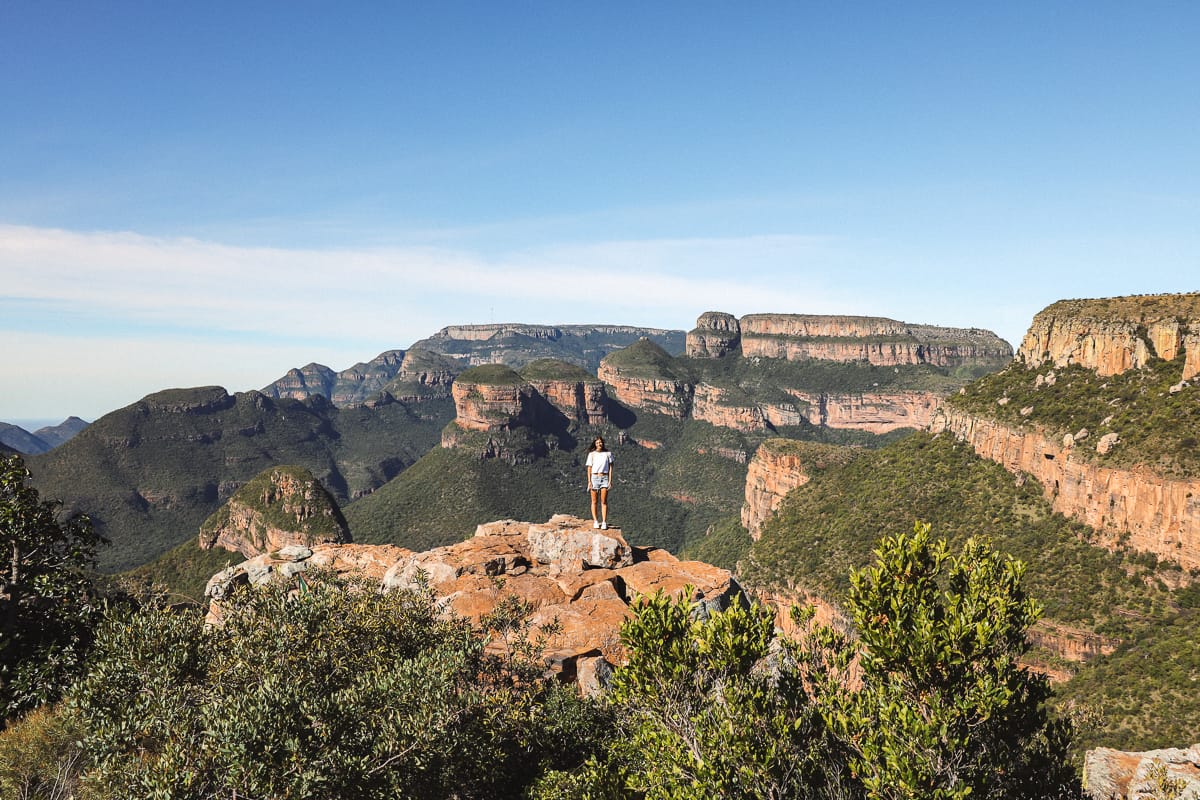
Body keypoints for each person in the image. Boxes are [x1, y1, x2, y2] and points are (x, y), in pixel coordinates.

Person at [585, 436, 614, 530]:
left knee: (604, 501)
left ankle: (604, 522)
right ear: (595, 444)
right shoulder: (591, 454)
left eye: (600, 442)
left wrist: (610, 480)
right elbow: (589, 468)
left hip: (604, 478)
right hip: (594, 478)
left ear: (603, 443)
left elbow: (610, 468)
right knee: (594, 501)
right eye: (597, 443)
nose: (599, 444)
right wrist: (589, 481)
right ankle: (596, 521)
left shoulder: (608, 454)